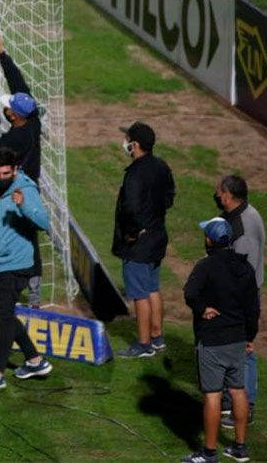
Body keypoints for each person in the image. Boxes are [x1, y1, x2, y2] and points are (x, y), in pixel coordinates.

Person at [0, 147, 55, 389]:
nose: (1, 177)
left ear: (15, 170)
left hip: (15, 264)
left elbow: (44, 222)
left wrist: (24, 206)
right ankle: (35, 360)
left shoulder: (25, 189)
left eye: (6, 173)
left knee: (4, 316)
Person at [181, 217, 259, 463]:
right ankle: (239, 447)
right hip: (238, 339)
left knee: (213, 395)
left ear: (209, 240)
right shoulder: (244, 267)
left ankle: (209, 453)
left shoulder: (206, 266)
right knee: (238, 391)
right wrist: (249, 336)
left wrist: (202, 308)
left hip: (213, 340)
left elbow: (190, 293)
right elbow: (253, 308)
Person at [0, 33, 45, 305]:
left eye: (7, 108)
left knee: (5, 231)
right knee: (28, 235)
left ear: (13, 116)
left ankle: (6, 284)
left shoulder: (14, 138)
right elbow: (17, 81)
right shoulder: (32, 119)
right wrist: (2, 53)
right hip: (30, 187)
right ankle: (33, 290)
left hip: (14, 190)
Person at [113, 121, 175, 358]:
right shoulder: (161, 166)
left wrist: (132, 231)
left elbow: (130, 208)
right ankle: (157, 337)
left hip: (139, 243)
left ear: (135, 145)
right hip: (158, 235)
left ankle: (143, 344)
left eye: (127, 139)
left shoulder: (135, 174)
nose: (125, 143)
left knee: (139, 293)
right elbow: (169, 197)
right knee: (152, 288)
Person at [214, 174, 266, 429]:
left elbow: (242, 275)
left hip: (241, 300)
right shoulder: (244, 215)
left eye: (219, 192)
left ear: (228, 195)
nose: (216, 196)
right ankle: (228, 400)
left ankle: (245, 406)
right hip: (237, 296)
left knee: (243, 351)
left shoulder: (244, 229)